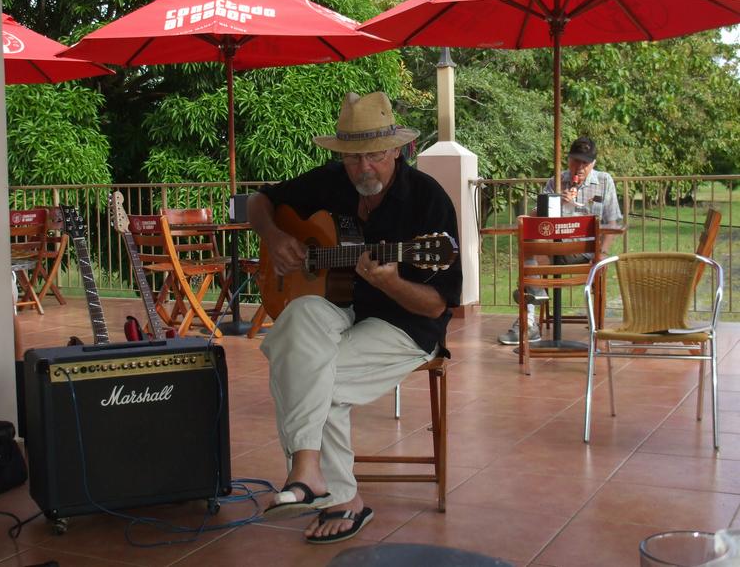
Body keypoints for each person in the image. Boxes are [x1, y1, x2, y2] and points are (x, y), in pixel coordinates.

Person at [248, 92, 462, 544]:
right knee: (297, 317)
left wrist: (391, 283)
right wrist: (275, 237)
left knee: (308, 373)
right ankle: (314, 475)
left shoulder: (427, 200)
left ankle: (334, 492)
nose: (364, 168)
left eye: (375, 155)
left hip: (404, 324)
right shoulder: (330, 182)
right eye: (353, 157)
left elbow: (436, 305)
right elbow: (259, 202)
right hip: (342, 307)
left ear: (397, 151)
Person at [498, 136, 622, 345]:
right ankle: (529, 319)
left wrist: (602, 253)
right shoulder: (556, 181)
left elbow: (613, 222)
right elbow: (535, 216)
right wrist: (552, 204)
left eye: (585, 162)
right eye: (575, 161)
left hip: (586, 253)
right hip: (553, 249)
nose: (579, 167)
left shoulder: (604, 181)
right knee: (528, 245)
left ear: (593, 163)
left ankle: (533, 295)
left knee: (531, 267)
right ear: (568, 159)